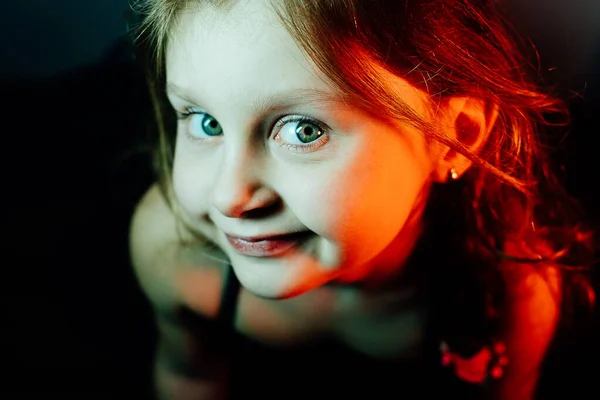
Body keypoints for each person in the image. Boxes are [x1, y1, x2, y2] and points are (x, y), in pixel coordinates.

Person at [128, 0, 596, 398]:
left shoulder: (508, 288)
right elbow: (189, 376)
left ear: (457, 139)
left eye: (303, 130)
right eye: (204, 122)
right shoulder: (173, 252)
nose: (229, 197)